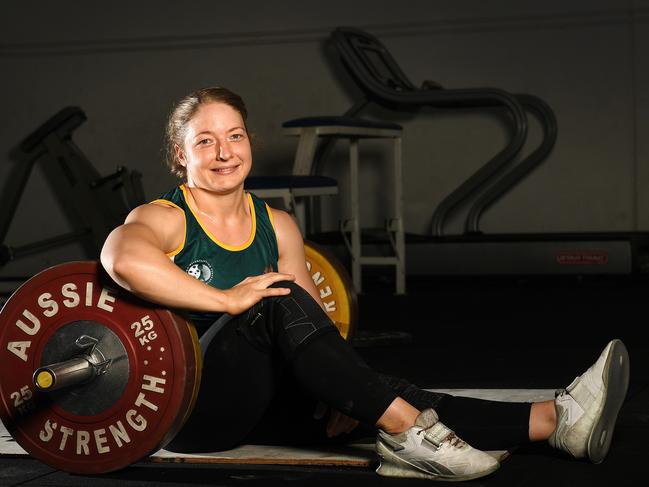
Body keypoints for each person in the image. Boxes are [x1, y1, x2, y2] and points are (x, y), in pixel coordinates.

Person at [100, 86, 630, 482]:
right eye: (206, 141)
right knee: (272, 297)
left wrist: (339, 386)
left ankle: (557, 423)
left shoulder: (277, 224)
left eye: (234, 136)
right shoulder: (167, 216)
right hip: (193, 412)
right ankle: (407, 433)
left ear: (248, 142)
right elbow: (120, 257)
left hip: (265, 400)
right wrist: (226, 298)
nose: (224, 152)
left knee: (380, 392)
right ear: (181, 155)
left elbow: (314, 318)